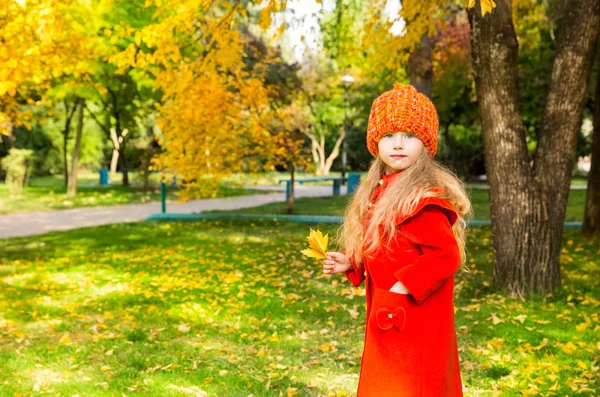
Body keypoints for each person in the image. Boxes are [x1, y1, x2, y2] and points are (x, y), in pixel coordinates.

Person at [322, 83, 471, 396]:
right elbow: (385, 246)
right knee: (387, 381)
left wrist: (400, 289)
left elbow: (445, 255)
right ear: (376, 142)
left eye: (410, 135)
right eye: (389, 135)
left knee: (412, 383)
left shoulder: (422, 199)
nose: (398, 144)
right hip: (390, 313)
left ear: (426, 144)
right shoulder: (381, 189)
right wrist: (352, 261)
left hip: (414, 316)